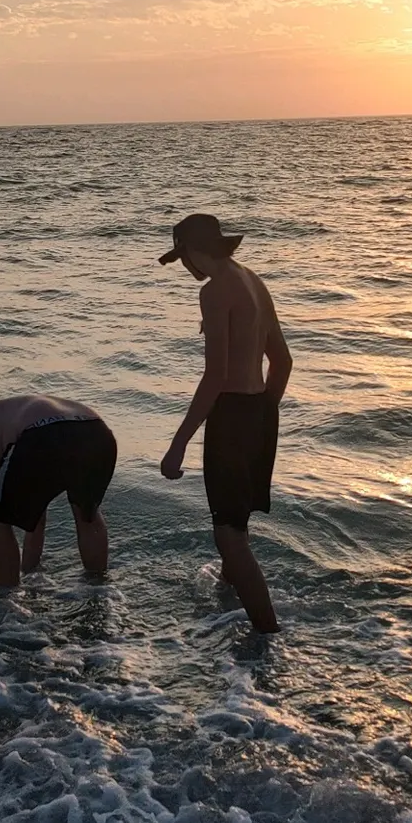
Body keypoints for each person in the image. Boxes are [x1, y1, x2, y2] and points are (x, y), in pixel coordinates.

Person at [158, 213, 292, 633]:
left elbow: (215, 376)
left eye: (183, 259)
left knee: (228, 537)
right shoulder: (252, 279)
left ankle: (268, 634)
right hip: (259, 411)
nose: (186, 269)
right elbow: (283, 362)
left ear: (193, 253)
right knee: (237, 523)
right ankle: (228, 597)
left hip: (232, 416)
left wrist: (178, 443)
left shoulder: (215, 292)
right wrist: (263, 412)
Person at [0, 394, 115, 588]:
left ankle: (7, 599)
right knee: (87, 514)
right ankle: (97, 586)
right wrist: (28, 566)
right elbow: (33, 505)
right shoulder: (2, 420)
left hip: (42, 434)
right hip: (97, 432)